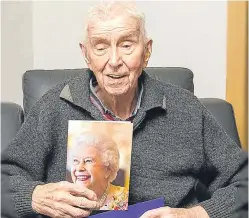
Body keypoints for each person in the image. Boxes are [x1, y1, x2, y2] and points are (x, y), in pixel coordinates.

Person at [1, 1, 247, 218]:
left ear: (147, 51)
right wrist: (34, 196)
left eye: (127, 45)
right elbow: (4, 180)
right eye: (100, 47)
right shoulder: (53, 107)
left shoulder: (186, 109)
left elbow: (243, 181)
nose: (115, 60)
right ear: (86, 54)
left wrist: (198, 214)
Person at [68, 132, 128, 210]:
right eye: (76, 160)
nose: (79, 168)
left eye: (88, 161)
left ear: (108, 170)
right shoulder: (65, 197)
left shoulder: (124, 198)